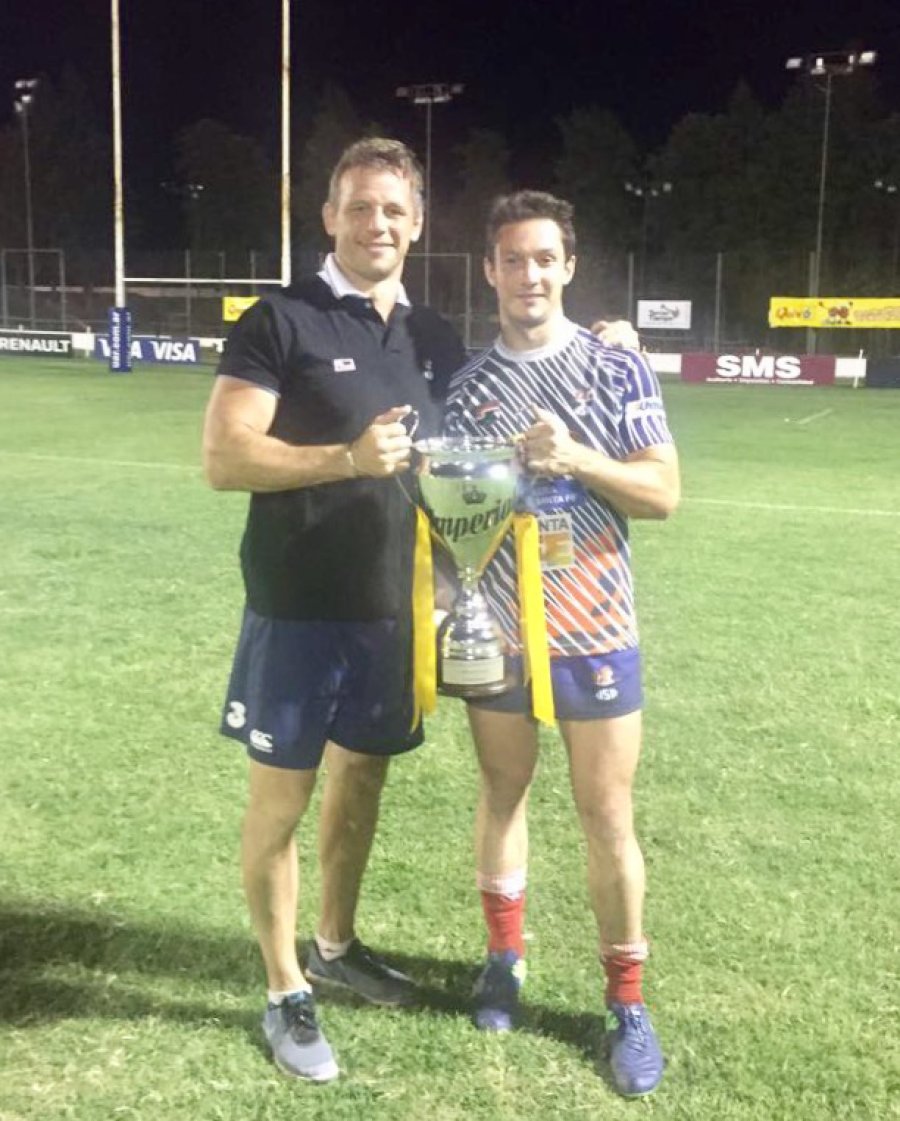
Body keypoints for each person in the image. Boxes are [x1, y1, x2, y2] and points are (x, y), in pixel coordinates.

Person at [202, 137, 466, 1082]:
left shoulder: (430, 335)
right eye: (360, 206)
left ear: (418, 222)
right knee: (282, 800)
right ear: (328, 217)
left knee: (364, 784)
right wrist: (342, 460)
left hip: (393, 614)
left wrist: (608, 341)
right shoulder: (279, 320)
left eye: (394, 209)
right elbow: (226, 457)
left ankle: (336, 945)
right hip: (297, 608)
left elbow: (486, 431)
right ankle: (284, 991)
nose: (378, 223)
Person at [442, 190, 680, 1098]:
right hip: (498, 631)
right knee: (502, 790)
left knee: (605, 813)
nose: (529, 273)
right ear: (491, 271)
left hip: (595, 628)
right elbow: (453, 516)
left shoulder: (618, 370)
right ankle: (505, 958)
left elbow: (662, 494)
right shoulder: (468, 389)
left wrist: (575, 457)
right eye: (512, 258)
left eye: (545, 258)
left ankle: (627, 1002)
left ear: (568, 267)